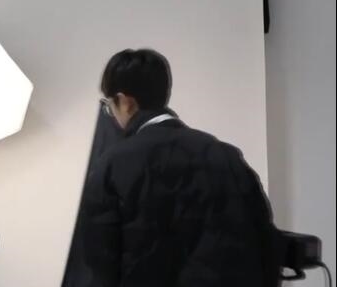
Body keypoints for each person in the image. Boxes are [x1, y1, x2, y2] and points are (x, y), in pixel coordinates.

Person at [65, 48, 280, 287]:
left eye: (109, 106)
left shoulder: (111, 165)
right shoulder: (227, 157)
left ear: (125, 102)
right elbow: (267, 246)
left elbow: (100, 263)